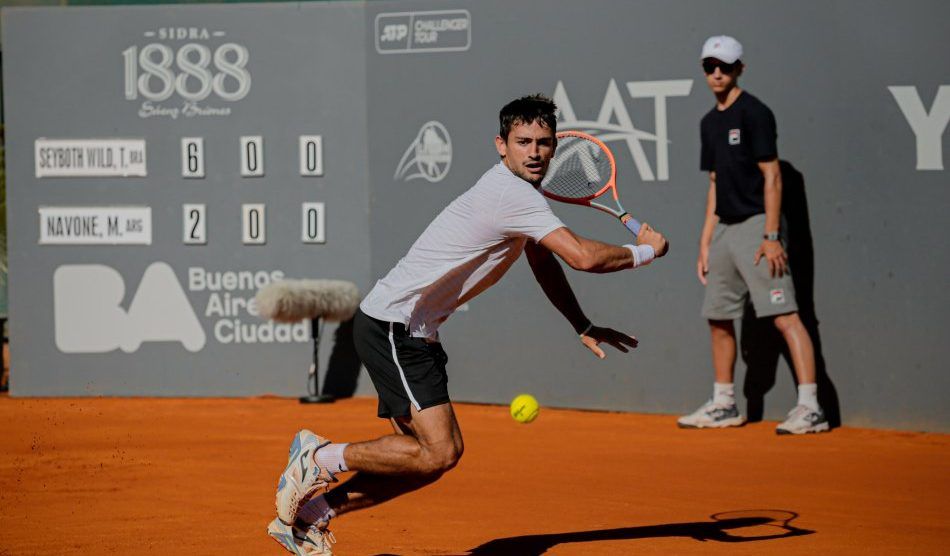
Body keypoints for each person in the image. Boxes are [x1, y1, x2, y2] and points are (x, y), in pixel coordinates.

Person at [267, 94, 669, 554]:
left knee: (429, 460)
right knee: (439, 451)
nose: (534, 152)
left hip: (411, 330)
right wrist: (647, 252)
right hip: (393, 325)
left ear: (555, 146)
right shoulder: (511, 193)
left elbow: (544, 259)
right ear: (501, 145)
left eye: (543, 142)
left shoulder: (522, 196)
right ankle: (318, 456)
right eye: (523, 142)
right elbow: (581, 257)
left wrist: (581, 322)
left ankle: (308, 517)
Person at [677, 36, 829, 435]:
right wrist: (705, 240)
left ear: (740, 68)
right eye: (709, 66)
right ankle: (725, 404)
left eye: (724, 66)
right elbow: (714, 183)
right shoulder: (709, 123)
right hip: (724, 231)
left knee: (786, 317)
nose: (716, 73)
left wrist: (772, 234)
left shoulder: (755, 113)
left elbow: (772, 176)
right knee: (718, 318)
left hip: (757, 227)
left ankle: (811, 407)